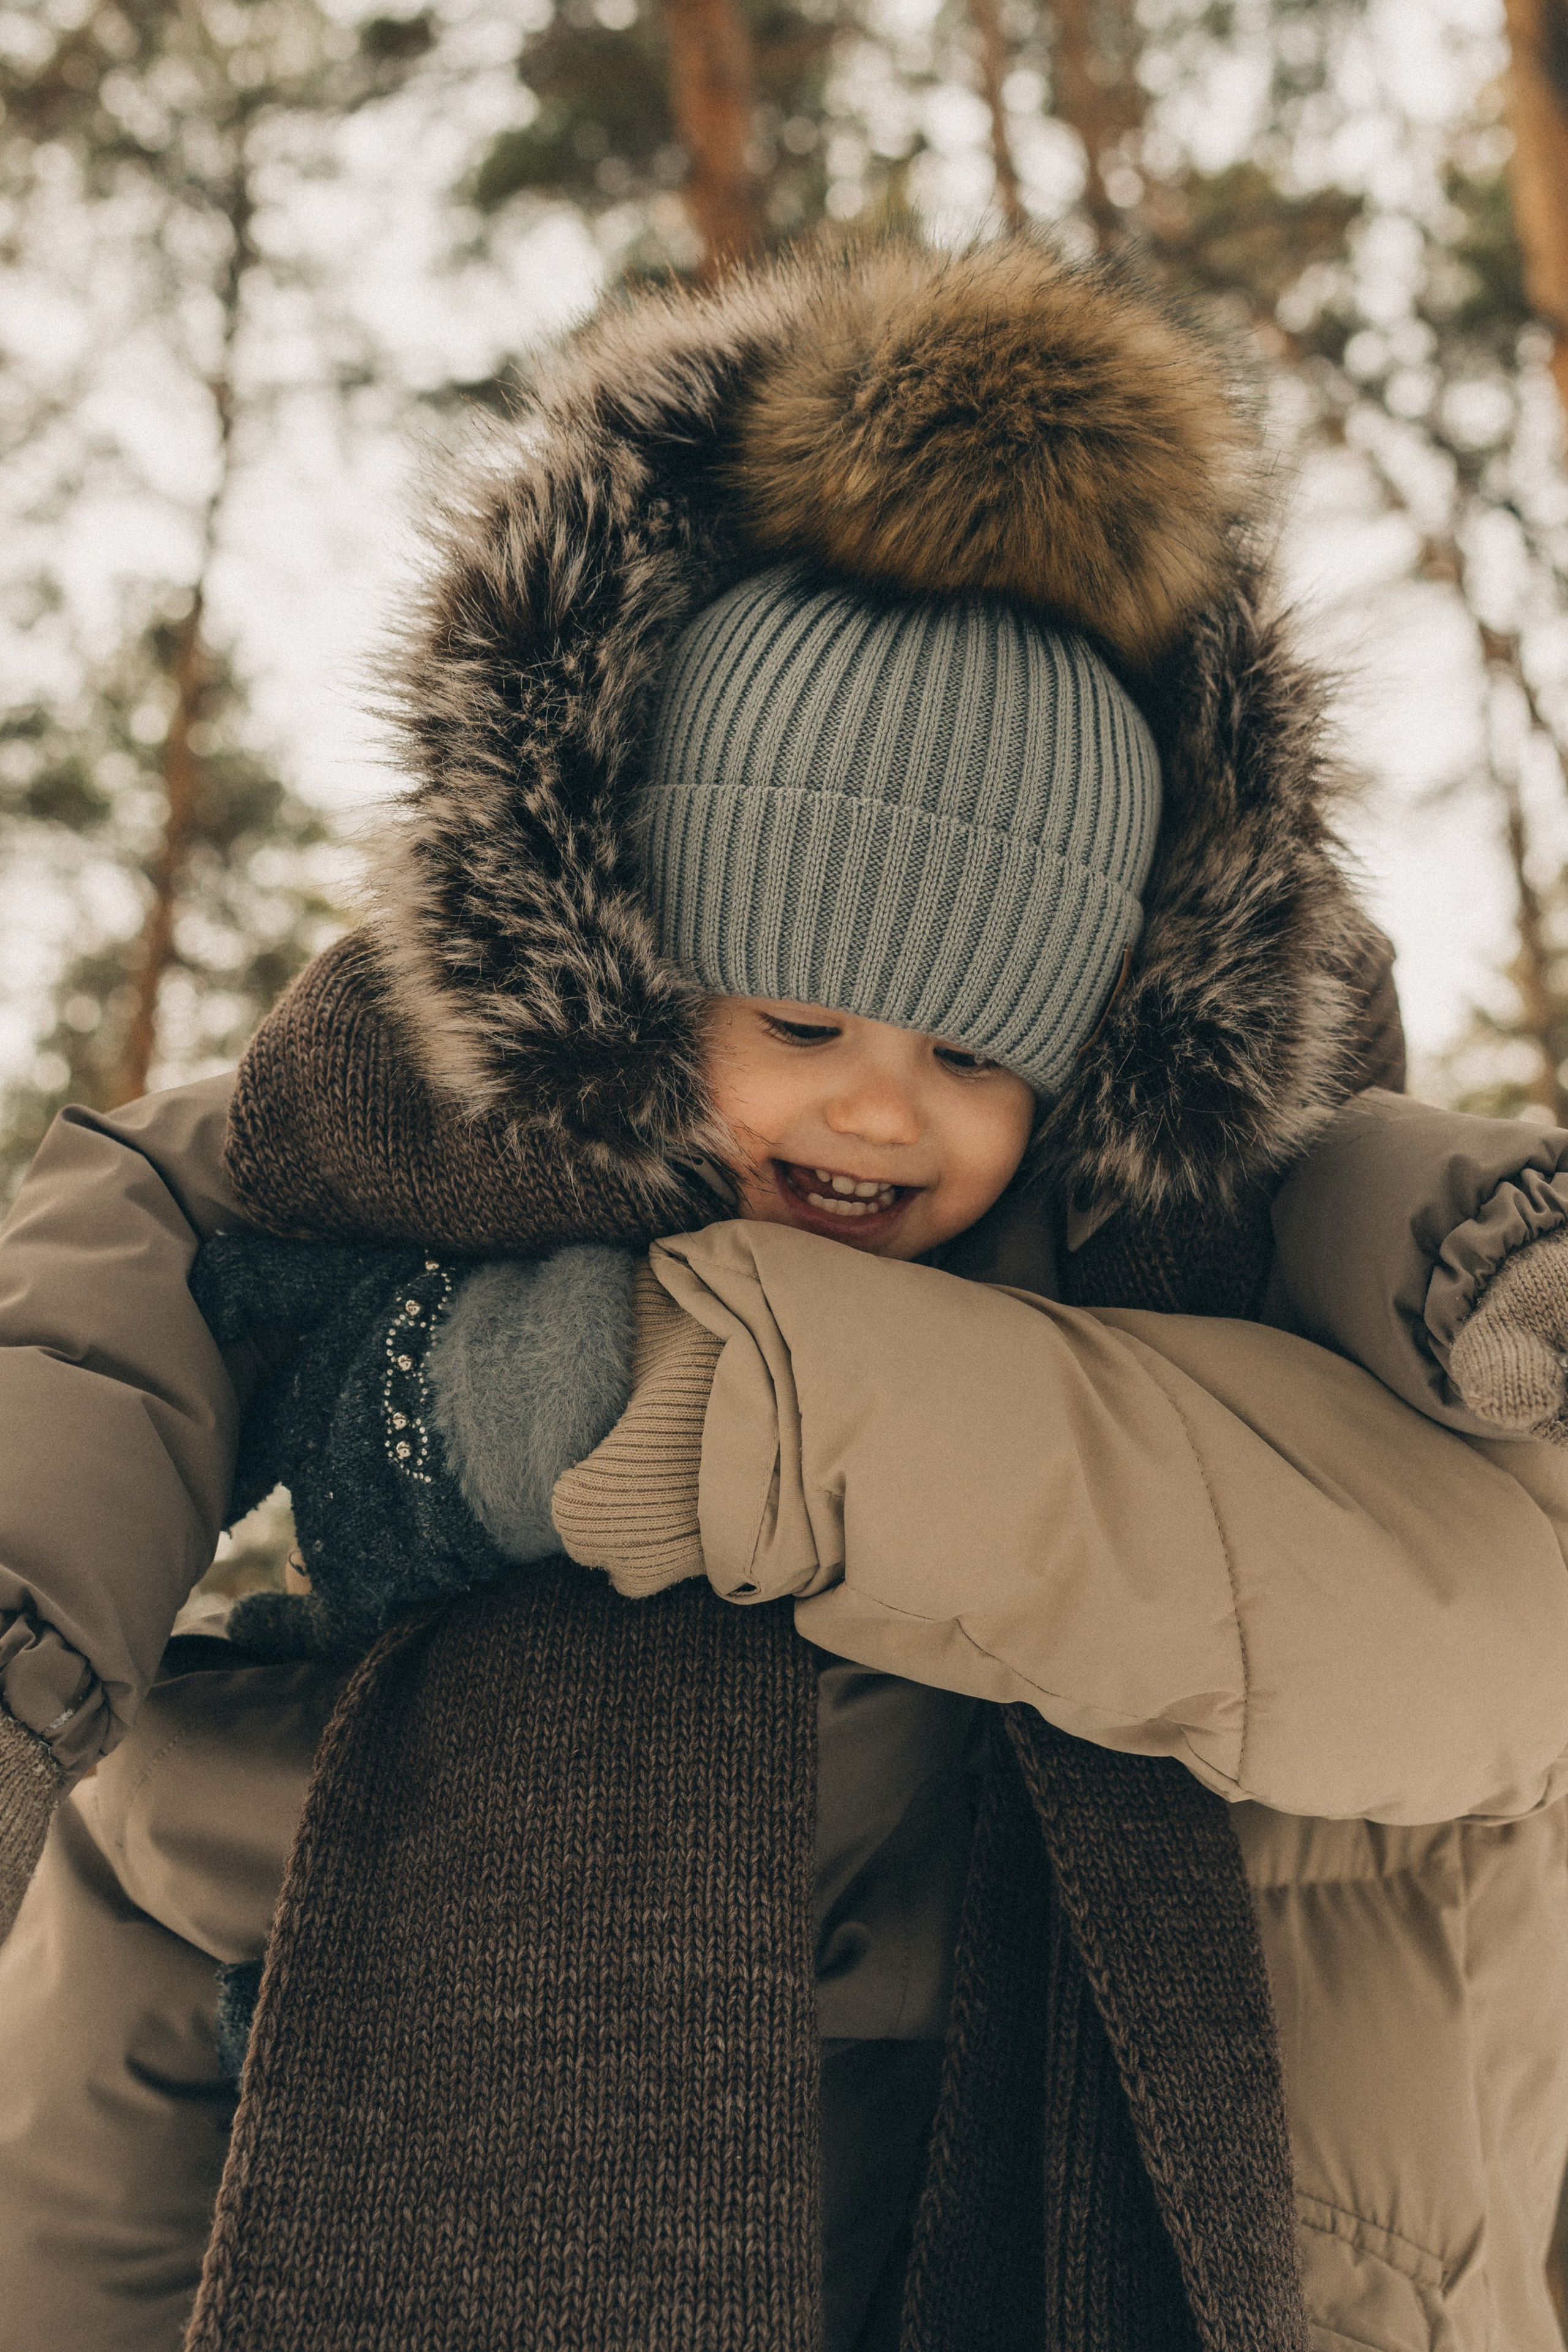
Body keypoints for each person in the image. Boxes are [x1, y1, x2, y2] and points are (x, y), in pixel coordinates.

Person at [5, 232, 1568, 2352]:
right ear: (653, 981)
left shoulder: (1177, 1250)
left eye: (978, 1055)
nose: (882, 1110)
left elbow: (1355, 1204)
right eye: (805, 1022)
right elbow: (114, 1291)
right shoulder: (417, 1154)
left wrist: (1487, 1242)